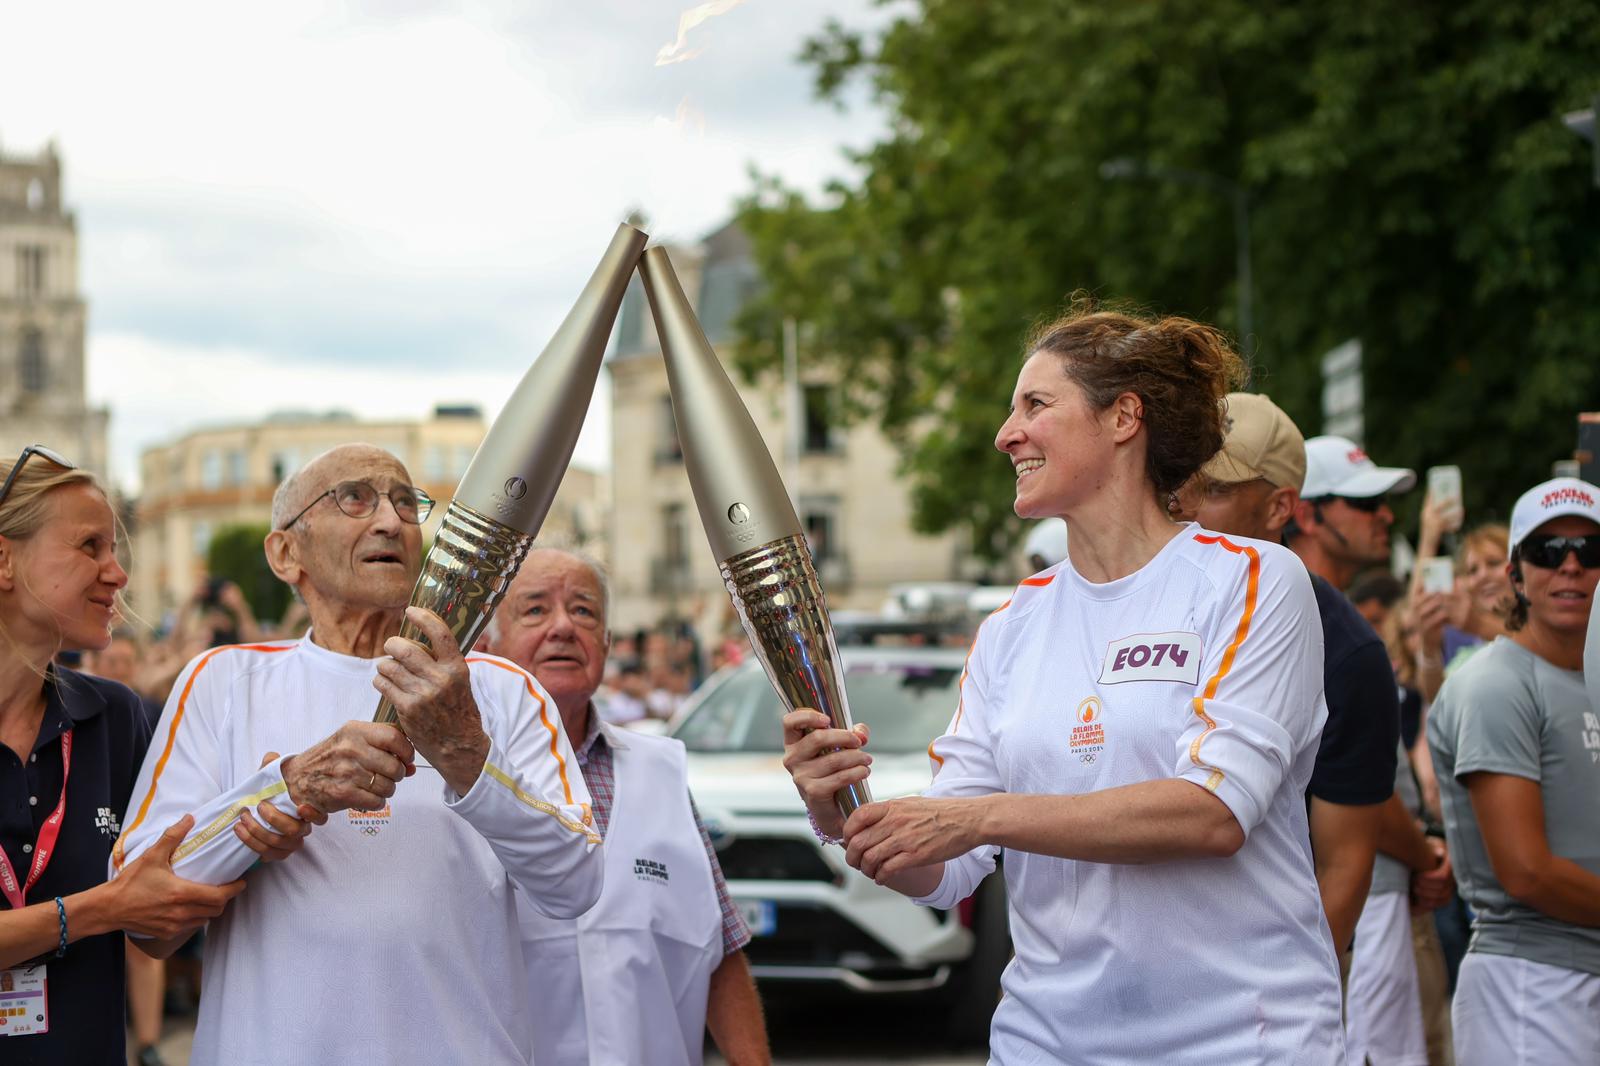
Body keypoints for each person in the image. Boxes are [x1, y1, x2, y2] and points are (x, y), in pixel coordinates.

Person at [785, 308, 1347, 1062]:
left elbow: (1213, 813)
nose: (1005, 434)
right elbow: (946, 870)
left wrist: (979, 821)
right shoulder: (1012, 624)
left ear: (1123, 417)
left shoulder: (1251, 581)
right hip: (1048, 1041)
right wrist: (845, 809)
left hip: (1240, 1040)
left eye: (1035, 406)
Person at [112, 444, 602, 1066]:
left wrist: (464, 753)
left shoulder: (503, 688)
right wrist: (283, 792)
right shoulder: (222, 681)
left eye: (405, 502)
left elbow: (578, 883)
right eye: (355, 497)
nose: (391, 521)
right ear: (285, 553)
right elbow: (141, 911)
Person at [0, 445, 267, 1065]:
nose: (117, 573)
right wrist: (99, 910)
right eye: (90, 546)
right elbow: (117, 908)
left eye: (114, 550)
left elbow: (155, 935)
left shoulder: (114, 716)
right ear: (4, 560)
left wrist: (251, 829)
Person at [480, 547, 769, 1066]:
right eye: (535, 609)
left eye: (584, 610)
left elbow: (720, 948)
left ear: (607, 644)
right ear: (484, 643)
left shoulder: (659, 770)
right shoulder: (452, 780)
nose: (564, 626)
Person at [1427, 476, 1600, 1065]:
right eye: (1548, 552)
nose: (1571, 568)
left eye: (1590, 552)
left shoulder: (1588, 678)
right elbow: (1526, 871)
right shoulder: (1496, 683)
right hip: (1534, 982)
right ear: (1516, 574)